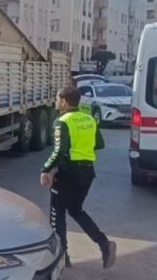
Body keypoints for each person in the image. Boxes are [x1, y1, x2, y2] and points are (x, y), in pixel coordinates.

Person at [40, 86, 116, 269]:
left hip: (68, 173)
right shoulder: (89, 118)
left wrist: (46, 169)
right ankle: (103, 243)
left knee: (57, 213)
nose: (55, 101)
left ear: (64, 102)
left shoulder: (62, 121)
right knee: (76, 210)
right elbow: (99, 144)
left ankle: (62, 256)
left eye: (57, 98)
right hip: (87, 172)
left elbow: (59, 151)